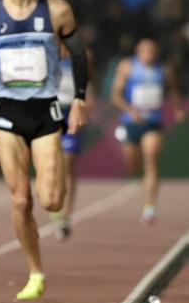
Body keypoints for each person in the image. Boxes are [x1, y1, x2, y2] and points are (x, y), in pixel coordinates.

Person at [0, 0, 89, 301]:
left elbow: (78, 53)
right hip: (7, 111)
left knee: (53, 200)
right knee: (21, 200)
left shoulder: (57, 10)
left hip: (45, 112)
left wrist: (80, 100)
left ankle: (50, 206)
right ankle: (35, 271)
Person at [111, 37, 184, 224]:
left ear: (156, 53)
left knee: (151, 157)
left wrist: (177, 108)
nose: (149, 55)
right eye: (145, 51)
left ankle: (150, 206)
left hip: (153, 122)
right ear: (138, 52)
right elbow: (116, 96)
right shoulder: (128, 67)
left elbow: (174, 91)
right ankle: (137, 175)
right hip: (131, 122)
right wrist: (130, 111)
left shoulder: (165, 70)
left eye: (152, 51)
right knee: (132, 163)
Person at [52, 46, 95, 239]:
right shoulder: (47, 51)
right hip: (51, 111)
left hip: (72, 112)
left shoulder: (81, 56)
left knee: (68, 162)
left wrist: (87, 109)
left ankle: (66, 215)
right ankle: (54, 205)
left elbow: (88, 84)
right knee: (53, 162)